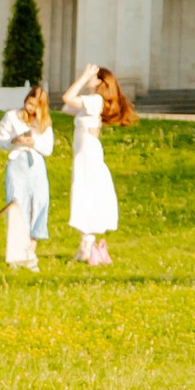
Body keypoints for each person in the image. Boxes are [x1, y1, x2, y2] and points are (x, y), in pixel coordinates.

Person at [63, 64, 132, 266]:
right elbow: (66, 107)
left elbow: (67, 97)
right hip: (84, 152)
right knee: (84, 192)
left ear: (100, 81)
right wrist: (86, 81)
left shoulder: (95, 101)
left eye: (94, 76)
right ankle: (86, 243)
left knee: (86, 192)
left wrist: (84, 76)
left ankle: (87, 244)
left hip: (88, 152)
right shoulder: (91, 101)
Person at [0, 83, 53, 268]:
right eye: (29, 103)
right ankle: (17, 253)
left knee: (40, 203)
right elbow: (1, 141)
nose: (30, 109)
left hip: (36, 165)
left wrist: (33, 142)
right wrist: (16, 140)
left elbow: (48, 149)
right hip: (17, 163)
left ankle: (31, 250)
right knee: (17, 204)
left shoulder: (44, 123)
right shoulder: (12, 116)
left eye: (35, 106)